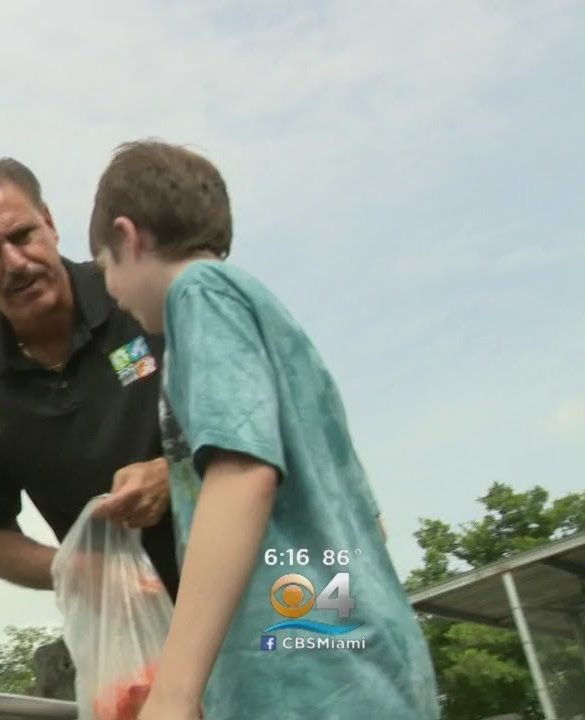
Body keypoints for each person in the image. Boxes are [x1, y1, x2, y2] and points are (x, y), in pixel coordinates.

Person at [87, 139, 440, 720]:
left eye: (104, 268)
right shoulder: (275, 327)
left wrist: (174, 693)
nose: (112, 292)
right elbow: (368, 519)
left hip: (304, 681)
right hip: (357, 658)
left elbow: (243, 475)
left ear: (128, 237)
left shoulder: (199, 296)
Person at [0, 156, 181, 600]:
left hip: (265, 589)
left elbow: (260, 425)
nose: (15, 262)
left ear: (49, 222)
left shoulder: (143, 294)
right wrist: (75, 569)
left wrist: (174, 474)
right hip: (130, 633)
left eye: (22, 235)